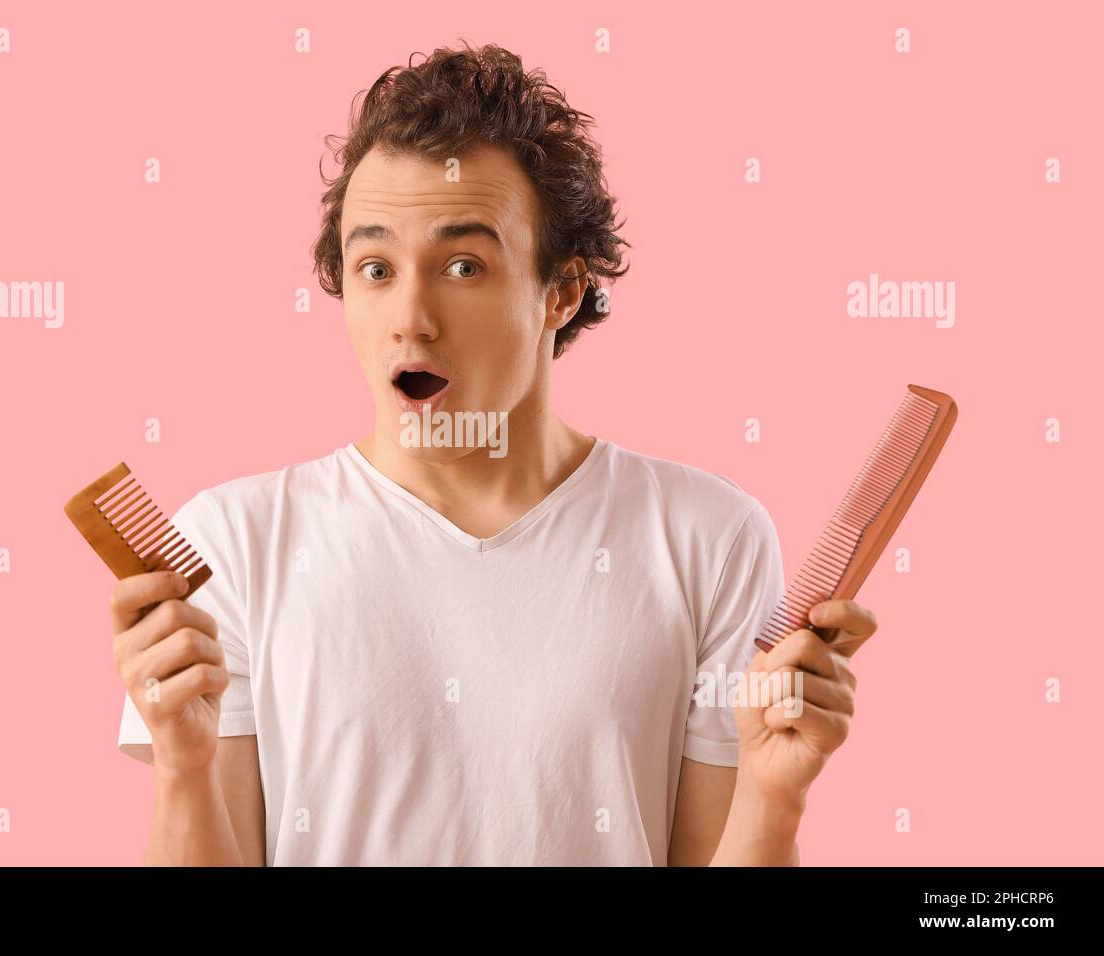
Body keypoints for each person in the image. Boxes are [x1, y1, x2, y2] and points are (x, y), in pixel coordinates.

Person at [111, 41, 878, 866]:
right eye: (375, 268)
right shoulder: (235, 544)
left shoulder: (707, 536)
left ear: (562, 290)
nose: (411, 316)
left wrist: (775, 798)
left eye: (464, 265)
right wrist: (182, 772)